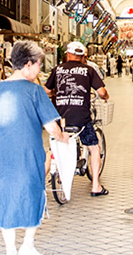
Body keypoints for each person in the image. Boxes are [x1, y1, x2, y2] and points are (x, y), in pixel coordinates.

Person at [0, 40, 69, 255]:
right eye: (39, 64)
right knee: (32, 195)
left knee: (4, 198)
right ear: (28, 65)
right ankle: (28, 245)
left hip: (1, 157)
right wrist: (63, 137)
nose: (40, 68)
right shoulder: (35, 91)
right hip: (28, 155)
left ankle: (10, 249)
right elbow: (51, 127)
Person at [45, 41, 110, 196]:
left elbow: (46, 91)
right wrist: (106, 96)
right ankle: (96, 186)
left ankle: (39, 185)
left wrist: (57, 94)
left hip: (60, 118)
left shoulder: (57, 70)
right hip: (81, 117)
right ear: (83, 56)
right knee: (94, 148)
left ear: (67, 54)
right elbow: (101, 92)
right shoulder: (88, 70)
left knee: (51, 150)